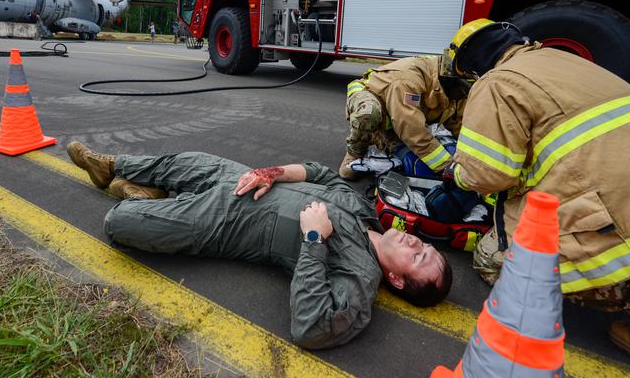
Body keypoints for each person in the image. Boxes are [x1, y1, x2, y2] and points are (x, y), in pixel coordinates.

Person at [439, 18, 630, 360]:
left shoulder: (497, 83)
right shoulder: (564, 60)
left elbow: (489, 175)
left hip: (607, 197)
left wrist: (458, 175)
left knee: (495, 260)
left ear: (469, 66)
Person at [66, 141, 453, 349]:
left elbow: (311, 328)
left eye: (417, 256)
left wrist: (315, 238)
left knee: (119, 224)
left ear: (398, 280)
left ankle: (141, 200)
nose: (415, 242)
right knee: (185, 160)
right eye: (425, 246)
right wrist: (273, 172)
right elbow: (320, 173)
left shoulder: (361, 276)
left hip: (227, 223)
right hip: (244, 179)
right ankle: (111, 166)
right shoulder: (365, 209)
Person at [340, 56, 469, 180]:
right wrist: (447, 168)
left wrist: (471, 166)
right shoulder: (408, 80)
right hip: (373, 99)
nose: (465, 94)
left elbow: (459, 125)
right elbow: (412, 130)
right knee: (368, 114)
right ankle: (354, 153)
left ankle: (382, 139)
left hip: (398, 116)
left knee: (404, 157)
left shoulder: (456, 88)